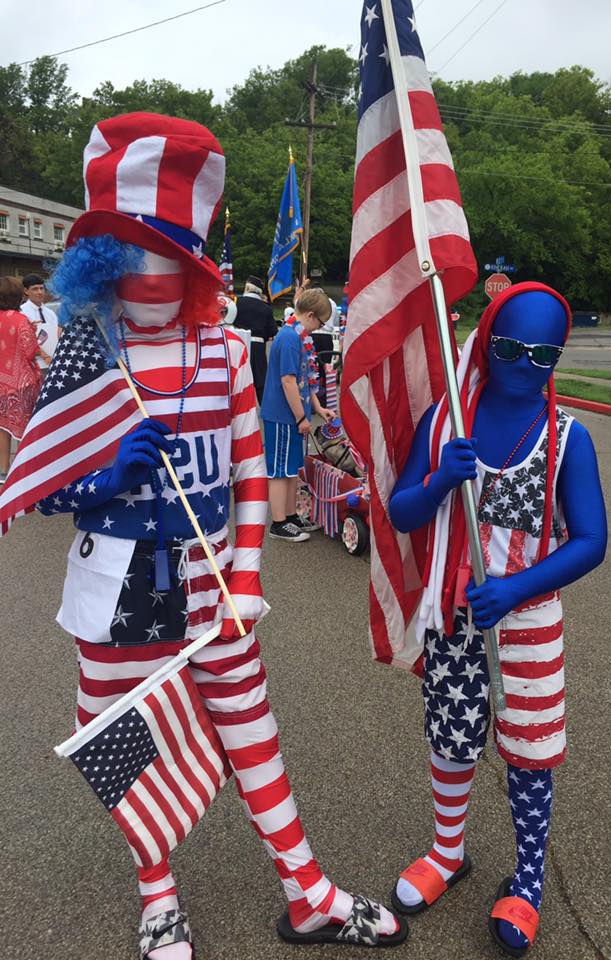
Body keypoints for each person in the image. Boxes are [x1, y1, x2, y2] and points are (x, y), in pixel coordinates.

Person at [0, 112, 406, 958]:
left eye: (167, 257)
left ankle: (308, 890)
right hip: (114, 591)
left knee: (250, 726)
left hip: (215, 582)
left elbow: (252, 471)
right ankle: (158, 897)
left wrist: (249, 573)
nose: (149, 276)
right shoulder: (84, 355)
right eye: (132, 255)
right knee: (124, 741)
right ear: (100, 261)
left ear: (191, 265)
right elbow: (41, 488)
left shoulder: (224, 352)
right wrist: (105, 478)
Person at [387, 283, 607, 956]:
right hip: (454, 622)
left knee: (530, 754)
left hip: (528, 624)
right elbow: (400, 512)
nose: (524, 364)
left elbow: (591, 541)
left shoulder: (569, 439)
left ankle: (529, 878)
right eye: (509, 347)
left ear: (558, 356)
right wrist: (438, 481)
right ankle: (447, 851)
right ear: (486, 341)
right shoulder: (447, 421)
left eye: (543, 354)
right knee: (451, 739)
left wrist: (515, 590)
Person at [260, 287, 335, 542]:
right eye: (321, 323)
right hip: (282, 416)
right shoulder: (290, 338)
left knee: (292, 469)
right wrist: (301, 417)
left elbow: (305, 380)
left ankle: (290, 516)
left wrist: (317, 408)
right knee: (280, 471)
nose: (319, 328)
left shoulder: (299, 336)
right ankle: (279, 523)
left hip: (293, 415)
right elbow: (289, 381)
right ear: (311, 315)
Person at [0, 276, 43, 482]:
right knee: (25, 428)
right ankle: (22, 470)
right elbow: (30, 350)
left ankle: (3, 470)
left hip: (1, 381)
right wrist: (32, 332)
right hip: (21, 383)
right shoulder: (21, 320)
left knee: (2, 427)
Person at [233, 276, 277, 401]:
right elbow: (272, 331)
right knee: (260, 380)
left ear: (247, 288)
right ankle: (266, 407)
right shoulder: (266, 308)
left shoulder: (237, 303)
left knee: (237, 378)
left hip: (238, 344)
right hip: (257, 346)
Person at [21, 273, 60, 374]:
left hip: (54, 362)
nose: (39, 292)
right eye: (35, 289)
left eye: (41, 288)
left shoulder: (51, 313)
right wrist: (44, 356)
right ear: (26, 291)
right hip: (34, 364)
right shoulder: (22, 312)